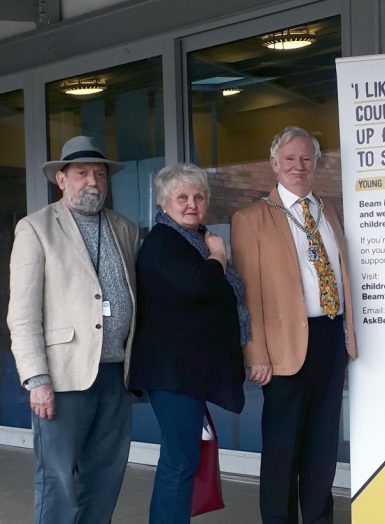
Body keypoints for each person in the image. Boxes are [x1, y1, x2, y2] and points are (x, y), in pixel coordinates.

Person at [6, 136, 139, 523]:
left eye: (99, 173)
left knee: (105, 477)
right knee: (59, 480)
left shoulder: (124, 228)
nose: (92, 181)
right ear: (61, 179)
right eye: (82, 173)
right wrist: (37, 379)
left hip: (116, 374)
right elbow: (23, 313)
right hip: (63, 379)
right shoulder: (36, 228)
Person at [231, 126, 357, 524]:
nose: (298, 166)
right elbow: (247, 293)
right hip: (281, 347)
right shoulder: (251, 218)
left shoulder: (328, 210)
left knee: (322, 449)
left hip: (329, 339)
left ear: (316, 164)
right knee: (283, 451)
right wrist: (255, 352)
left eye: (306, 159)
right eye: (289, 159)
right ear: (273, 164)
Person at [128, 163, 248, 523]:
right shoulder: (164, 242)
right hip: (172, 374)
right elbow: (200, 286)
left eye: (198, 196)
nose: (192, 203)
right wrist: (219, 257)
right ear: (164, 203)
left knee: (183, 459)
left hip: (186, 373)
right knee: (180, 461)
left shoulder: (192, 240)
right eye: (182, 197)